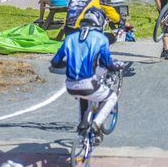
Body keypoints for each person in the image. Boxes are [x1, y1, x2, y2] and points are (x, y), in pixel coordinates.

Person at [51, 8, 124, 140]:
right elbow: (106, 63)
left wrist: (67, 64)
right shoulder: (101, 39)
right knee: (111, 97)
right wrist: (116, 66)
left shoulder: (69, 38)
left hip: (70, 85)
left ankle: (83, 125)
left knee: (85, 97)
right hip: (88, 84)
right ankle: (96, 124)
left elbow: (55, 62)